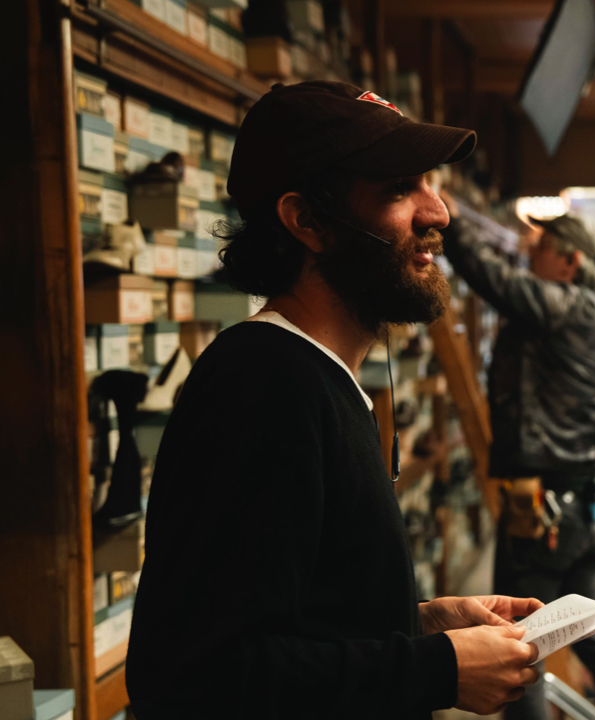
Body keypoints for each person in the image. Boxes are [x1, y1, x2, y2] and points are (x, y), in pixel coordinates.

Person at [127, 82, 541, 720]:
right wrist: (439, 668)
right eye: (399, 189)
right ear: (307, 221)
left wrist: (422, 624)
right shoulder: (261, 384)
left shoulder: (318, 379)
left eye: (429, 184)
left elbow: (297, 621)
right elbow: (194, 670)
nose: (439, 214)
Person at [440, 211, 595, 720]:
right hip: (591, 499)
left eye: (542, 247)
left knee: (522, 642)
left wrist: (448, 214)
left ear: (570, 260)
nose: (529, 253)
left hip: (550, 504)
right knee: (593, 635)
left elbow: (492, 277)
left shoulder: (559, 304)